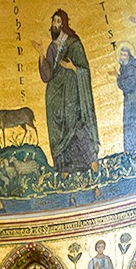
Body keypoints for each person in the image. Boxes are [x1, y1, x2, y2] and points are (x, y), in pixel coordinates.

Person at [33, 9, 99, 174]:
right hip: (55, 95)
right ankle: (64, 169)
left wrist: (72, 67)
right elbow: (47, 76)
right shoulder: (52, 48)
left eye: (57, 21)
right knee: (58, 131)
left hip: (71, 91)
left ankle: (91, 163)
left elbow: (84, 69)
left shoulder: (73, 43)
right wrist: (41, 53)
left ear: (63, 24)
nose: (54, 25)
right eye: (53, 22)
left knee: (75, 123)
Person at [116, 46, 136, 157]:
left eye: (125, 55)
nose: (123, 57)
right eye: (121, 54)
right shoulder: (125, 68)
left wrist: (117, 77)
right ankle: (129, 148)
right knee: (128, 123)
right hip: (130, 101)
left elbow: (128, 85)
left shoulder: (132, 68)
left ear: (129, 56)